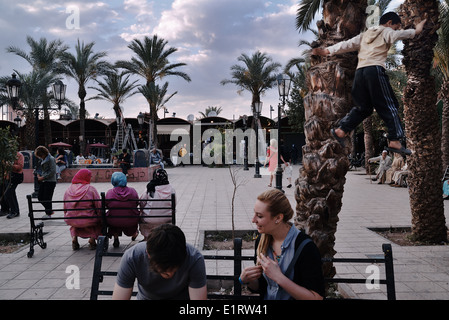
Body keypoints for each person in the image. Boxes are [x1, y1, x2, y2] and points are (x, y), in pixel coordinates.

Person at [312, 12, 427, 157]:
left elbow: (346, 45)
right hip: (375, 70)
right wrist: (416, 31)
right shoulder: (387, 31)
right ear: (390, 22)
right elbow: (395, 35)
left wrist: (326, 51)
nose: (396, 30)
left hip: (360, 73)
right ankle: (395, 140)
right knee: (390, 105)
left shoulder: (365, 35)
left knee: (363, 108)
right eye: (396, 27)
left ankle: (341, 130)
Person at [240, 189, 325, 300]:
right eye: (254, 214)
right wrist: (249, 280)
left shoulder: (305, 247)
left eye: (259, 216)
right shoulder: (261, 241)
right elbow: (262, 287)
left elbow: (317, 297)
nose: (253, 220)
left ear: (278, 218)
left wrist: (279, 278)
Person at [112, 224, 207, 300]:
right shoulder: (133, 257)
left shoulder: (193, 258)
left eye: (173, 267)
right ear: (148, 254)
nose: (169, 273)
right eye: (164, 268)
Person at [63, 169, 102, 250]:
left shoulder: (68, 189)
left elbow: (65, 207)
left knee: (75, 219)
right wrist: (100, 215)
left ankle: (74, 238)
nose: (90, 178)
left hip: (71, 219)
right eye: (89, 177)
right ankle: (92, 239)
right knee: (98, 220)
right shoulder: (91, 189)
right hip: (88, 219)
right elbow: (98, 205)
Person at [139, 168, 176, 240]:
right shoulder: (171, 189)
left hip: (149, 219)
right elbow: (174, 204)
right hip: (167, 218)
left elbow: (142, 202)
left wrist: (142, 210)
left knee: (142, 217)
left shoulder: (150, 188)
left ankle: (147, 237)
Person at [105, 172, 139, 248]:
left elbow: (106, 205)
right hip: (131, 220)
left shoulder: (110, 192)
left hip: (114, 221)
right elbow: (136, 203)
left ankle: (116, 237)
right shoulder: (132, 191)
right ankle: (134, 233)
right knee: (131, 214)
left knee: (113, 215)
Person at [0, 151, 24, 219]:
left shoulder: (18, 155)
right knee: (3, 192)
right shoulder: (6, 155)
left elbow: (20, 167)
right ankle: (5, 209)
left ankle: (15, 211)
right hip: (6, 176)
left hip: (15, 176)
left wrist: (10, 165)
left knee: (9, 192)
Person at [35, 146, 57, 218]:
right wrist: (38, 174)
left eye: (41, 155)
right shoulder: (42, 159)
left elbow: (53, 171)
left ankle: (48, 213)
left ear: (44, 153)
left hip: (50, 181)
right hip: (43, 180)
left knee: (47, 198)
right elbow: (39, 168)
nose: (41, 157)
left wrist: (43, 177)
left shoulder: (51, 159)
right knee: (40, 197)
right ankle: (49, 210)